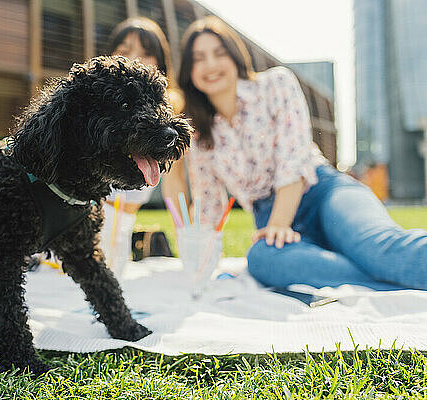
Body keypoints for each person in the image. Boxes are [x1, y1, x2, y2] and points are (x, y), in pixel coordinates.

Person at [163, 16, 427, 290]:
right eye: (199, 58)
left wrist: (280, 222)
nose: (211, 65)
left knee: (376, 247)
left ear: (235, 57)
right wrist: (197, 251)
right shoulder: (198, 132)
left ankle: (385, 268)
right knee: (263, 259)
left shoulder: (276, 84)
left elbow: (293, 159)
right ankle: (385, 280)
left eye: (219, 53)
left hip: (322, 192)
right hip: (267, 214)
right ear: (189, 71)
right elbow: (208, 203)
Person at [99, 17, 184, 275]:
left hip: (120, 235)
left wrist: (188, 238)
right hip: (77, 232)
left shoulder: (167, 122)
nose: (135, 59)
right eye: (125, 51)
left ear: (160, 63)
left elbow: (175, 190)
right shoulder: (96, 110)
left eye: (146, 54)